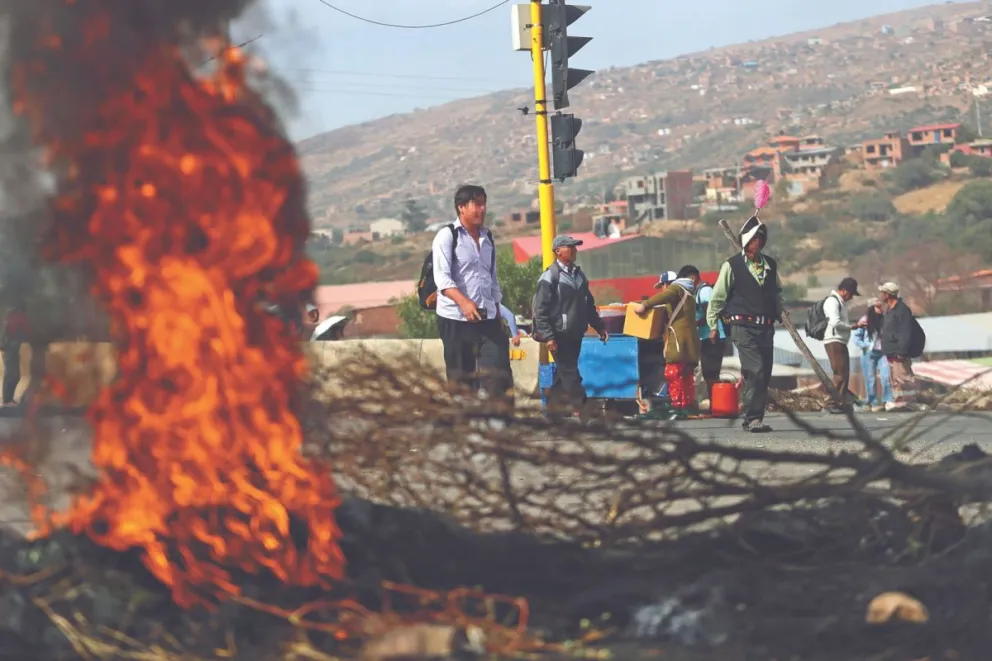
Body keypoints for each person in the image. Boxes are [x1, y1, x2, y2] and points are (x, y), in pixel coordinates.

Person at [433, 184, 513, 406]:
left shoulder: (488, 237)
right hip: (455, 319)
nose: (483, 209)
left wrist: (497, 309)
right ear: (461, 208)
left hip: (486, 317)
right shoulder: (447, 236)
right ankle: (466, 427)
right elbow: (442, 279)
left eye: (484, 203)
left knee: (498, 371)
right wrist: (464, 303)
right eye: (476, 204)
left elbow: (491, 276)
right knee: (462, 379)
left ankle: (501, 423)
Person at [706, 215, 784, 433]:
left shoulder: (770, 265)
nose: (757, 243)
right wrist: (713, 324)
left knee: (763, 373)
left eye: (761, 238)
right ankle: (753, 418)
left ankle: (752, 415)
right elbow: (718, 297)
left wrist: (780, 309)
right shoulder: (732, 266)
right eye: (754, 239)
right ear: (746, 241)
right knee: (755, 369)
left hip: (766, 327)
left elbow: (776, 292)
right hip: (742, 326)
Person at [533, 235, 608, 419]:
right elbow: (540, 310)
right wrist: (549, 336)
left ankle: (552, 413)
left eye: (575, 247)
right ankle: (585, 410)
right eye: (570, 246)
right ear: (558, 251)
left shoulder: (579, 275)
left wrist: (599, 327)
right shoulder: (550, 276)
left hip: (576, 333)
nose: (574, 249)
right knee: (570, 372)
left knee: (563, 374)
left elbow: (588, 305)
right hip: (559, 334)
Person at [633, 267, 701, 420]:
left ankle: (675, 406)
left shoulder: (676, 289)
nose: (662, 290)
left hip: (678, 339)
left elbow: (664, 296)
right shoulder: (689, 293)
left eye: (662, 286)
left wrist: (645, 305)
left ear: (666, 284)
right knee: (686, 374)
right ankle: (686, 405)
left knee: (673, 372)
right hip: (690, 341)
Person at [682, 265, 726, 403]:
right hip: (707, 337)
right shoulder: (700, 292)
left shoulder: (705, 291)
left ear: (692, 278)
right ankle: (715, 403)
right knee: (709, 373)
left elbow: (710, 312)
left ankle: (717, 404)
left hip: (712, 337)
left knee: (711, 373)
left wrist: (694, 324)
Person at [821, 277, 863, 414]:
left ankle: (839, 402)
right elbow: (835, 322)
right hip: (834, 340)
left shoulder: (840, 303)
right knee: (839, 373)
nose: (851, 297)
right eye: (851, 294)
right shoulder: (832, 301)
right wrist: (852, 327)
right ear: (844, 291)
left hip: (839, 340)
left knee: (844, 373)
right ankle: (831, 403)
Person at [877, 281, 921, 412]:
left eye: (883, 293)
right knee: (895, 380)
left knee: (904, 377)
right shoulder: (889, 310)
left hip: (899, 352)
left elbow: (905, 331)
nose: (881, 295)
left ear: (888, 294)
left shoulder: (902, 310)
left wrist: (902, 351)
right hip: (891, 352)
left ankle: (910, 402)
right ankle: (900, 401)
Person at [852, 298, 894, 412]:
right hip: (869, 353)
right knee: (870, 379)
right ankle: (873, 402)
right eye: (877, 306)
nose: (880, 308)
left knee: (886, 376)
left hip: (882, 353)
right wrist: (864, 345)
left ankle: (888, 400)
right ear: (872, 308)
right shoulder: (865, 320)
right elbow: (856, 337)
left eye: (881, 306)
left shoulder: (885, 320)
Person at [2, 302, 29, 407]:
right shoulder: (15, 318)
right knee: (12, 374)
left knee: (14, 374)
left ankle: (8, 398)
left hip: (12, 349)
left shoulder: (11, 318)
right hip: (10, 349)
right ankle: (7, 399)